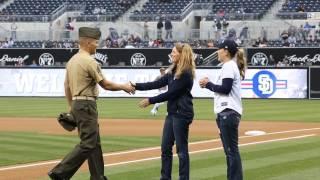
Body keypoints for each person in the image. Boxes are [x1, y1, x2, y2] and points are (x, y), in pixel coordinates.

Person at [48, 27, 135, 180]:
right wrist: (124, 87)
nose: (97, 45)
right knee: (88, 143)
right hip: (87, 105)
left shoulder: (72, 61)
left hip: (77, 103)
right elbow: (106, 85)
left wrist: (71, 107)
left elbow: (67, 86)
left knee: (95, 143)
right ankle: (59, 173)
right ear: (88, 42)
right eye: (96, 42)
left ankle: (98, 176)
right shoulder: (89, 61)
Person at [130, 43, 196, 180]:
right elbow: (156, 84)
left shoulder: (186, 73)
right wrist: (136, 86)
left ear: (181, 54)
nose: (171, 54)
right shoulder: (173, 71)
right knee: (165, 148)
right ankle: (165, 177)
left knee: (181, 151)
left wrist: (150, 100)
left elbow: (170, 93)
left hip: (182, 114)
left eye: (173, 52)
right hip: (172, 113)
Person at [199, 39, 246, 180]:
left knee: (231, 151)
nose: (217, 52)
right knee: (230, 152)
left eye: (219, 49)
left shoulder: (229, 66)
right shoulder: (229, 66)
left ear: (225, 51)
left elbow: (225, 89)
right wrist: (209, 84)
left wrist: (208, 85)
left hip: (228, 112)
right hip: (226, 113)